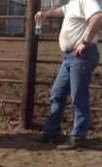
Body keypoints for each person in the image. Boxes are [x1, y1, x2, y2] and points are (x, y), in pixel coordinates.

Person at [35, 0, 102, 150]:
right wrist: (46, 14)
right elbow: (63, 10)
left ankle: (78, 137)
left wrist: (84, 42)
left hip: (81, 55)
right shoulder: (74, 2)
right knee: (57, 93)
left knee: (78, 96)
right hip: (71, 56)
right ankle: (51, 132)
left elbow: (97, 17)